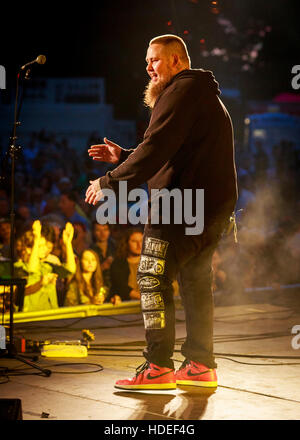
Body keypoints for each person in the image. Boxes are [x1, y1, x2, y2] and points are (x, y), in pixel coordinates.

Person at [86, 34, 238, 390]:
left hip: (180, 206)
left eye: (154, 60)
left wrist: (107, 181)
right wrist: (125, 157)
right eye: (146, 61)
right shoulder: (198, 92)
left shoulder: (181, 91)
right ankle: (200, 364)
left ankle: (157, 367)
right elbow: (172, 150)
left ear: (175, 61)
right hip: (208, 206)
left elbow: (156, 148)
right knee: (196, 283)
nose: (148, 68)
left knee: (152, 277)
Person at [108, 228, 143, 305]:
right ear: (126, 243)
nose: (139, 245)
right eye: (134, 241)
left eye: (141, 240)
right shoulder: (118, 264)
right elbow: (122, 287)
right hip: (128, 307)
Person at [91, 222, 116, 289]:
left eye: (105, 229)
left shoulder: (116, 247)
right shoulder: (90, 251)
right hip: (98, 286)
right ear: (93, 232)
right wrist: (101, 267)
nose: (102, 233)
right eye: (98, 230)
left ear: (109, 231)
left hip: (116, 286)